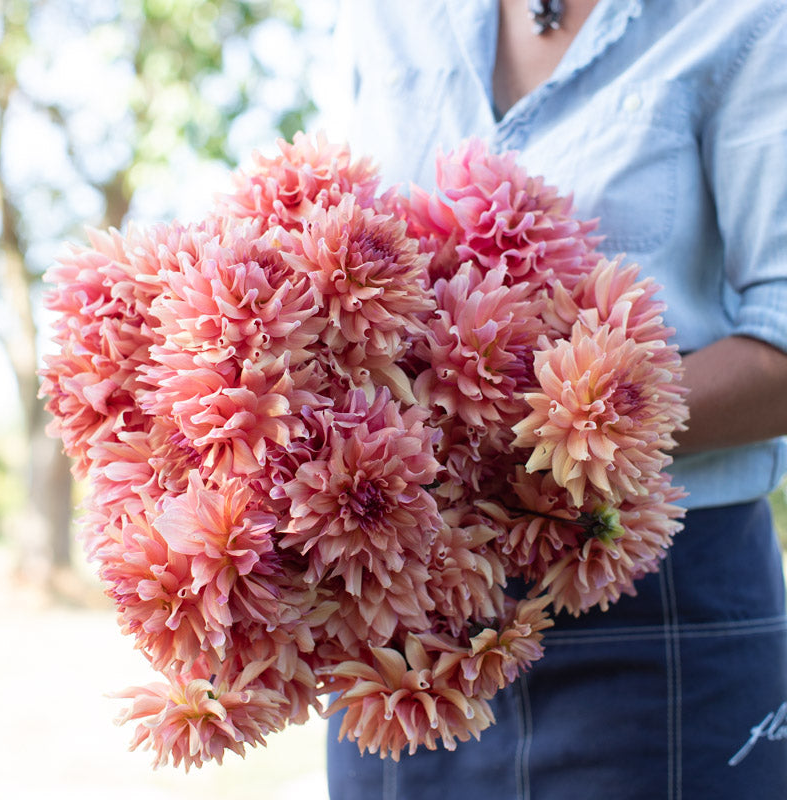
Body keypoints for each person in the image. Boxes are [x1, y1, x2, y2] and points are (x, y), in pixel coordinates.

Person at [324, 1, 787, 798]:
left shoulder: (746, 17)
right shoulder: (383, 18)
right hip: (399, 625)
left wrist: (545, 433)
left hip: (656, 607)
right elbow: (321, 246)